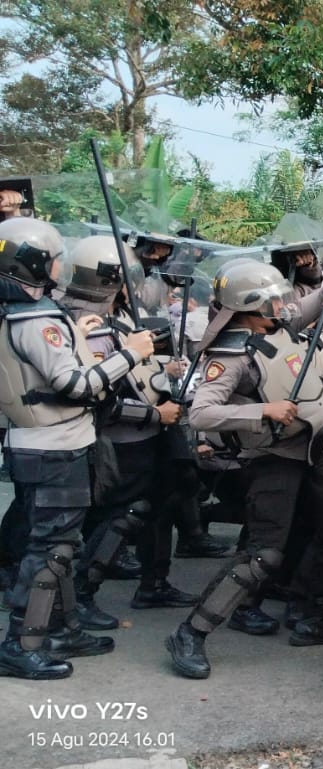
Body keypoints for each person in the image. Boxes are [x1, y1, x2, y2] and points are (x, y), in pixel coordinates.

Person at [163, 259, 323, 681]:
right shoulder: (230, 354)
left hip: (314, 449)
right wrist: (262, 409)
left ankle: (311, 616)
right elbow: (201, 413)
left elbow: (319, 301)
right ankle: (191, 633)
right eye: (272, 299)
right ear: (251, 306)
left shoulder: (279, 325)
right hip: (271, 457)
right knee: (263, 554)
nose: (282, 304)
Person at [0, 218, 156, 678]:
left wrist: (79, 338)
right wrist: (132, 352)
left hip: (32, 443)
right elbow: (73, 384)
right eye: (51, 258)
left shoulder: (17, 313)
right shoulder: (39, 319)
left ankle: (63, 628)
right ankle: (20, 642)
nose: (58, 266)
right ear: (31, 263)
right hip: (57, 446)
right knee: (50, 549)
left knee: (60, 543)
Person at [59, 237, 196, 632]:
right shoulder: (89, 325)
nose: (134, 287)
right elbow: (101, 400)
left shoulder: (112, 318)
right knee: (122, 516)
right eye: (126, 277)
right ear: (108, 279)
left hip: (147, 437)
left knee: (160, 506)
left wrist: (162, 366)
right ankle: (82, 593)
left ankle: (154, 583)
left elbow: (131, 373)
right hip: (121, 442)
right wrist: (154, 414)